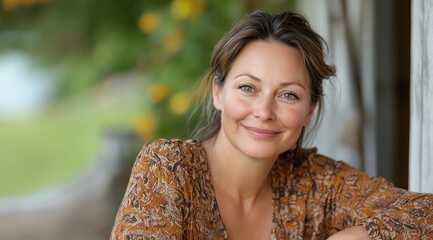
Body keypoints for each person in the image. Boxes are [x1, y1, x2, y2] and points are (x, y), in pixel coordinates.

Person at [111, 10, 433, 239]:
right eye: (248, 88)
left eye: (289, 95)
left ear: (309, 111)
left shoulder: (315, 184)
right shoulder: (167, 169)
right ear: (218, 93)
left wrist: (358, 237)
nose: (264, 111)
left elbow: (425, 212)